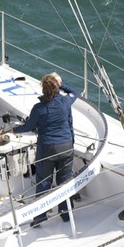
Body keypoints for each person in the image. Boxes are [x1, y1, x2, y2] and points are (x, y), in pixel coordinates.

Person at [13, 72, 79, 226]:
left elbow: (28, 127)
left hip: (47, 149)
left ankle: (40, 216)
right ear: (57, 88)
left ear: (43, 90)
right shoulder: (65, 102)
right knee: (64, 181)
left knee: (43, 181)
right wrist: (59, 83)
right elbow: (74, 92)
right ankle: (65, 214)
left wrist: (14, 130)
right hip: (66, 147)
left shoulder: (38, 108)